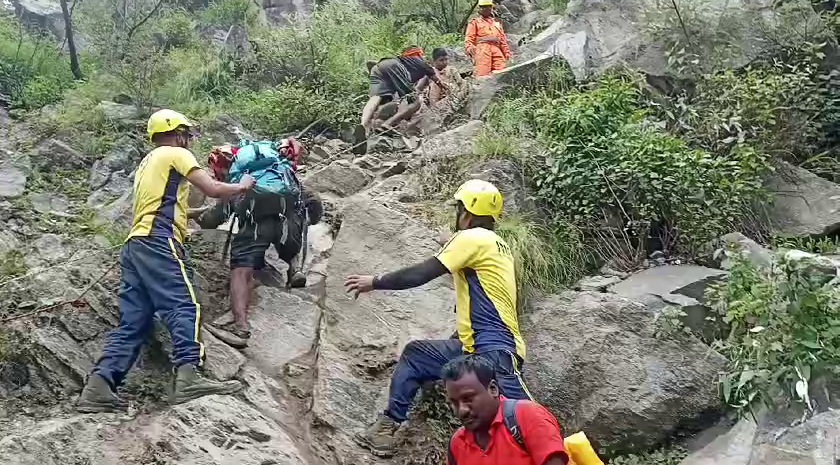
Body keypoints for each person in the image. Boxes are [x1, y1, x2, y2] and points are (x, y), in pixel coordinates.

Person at [76, 109, 256, 413]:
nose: (188, 140)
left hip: (136, 245)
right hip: (159, 241)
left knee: (134, 321)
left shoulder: (147, 163)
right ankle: (188, 376)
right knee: (183, 304)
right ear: (176, 132)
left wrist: (191, 215)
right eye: (186, 134)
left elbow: (163, 204)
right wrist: (242, 185)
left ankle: (99, 387)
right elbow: (212, 189)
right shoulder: (175, 153)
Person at [345, 179, 531, 457]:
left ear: (466, 213)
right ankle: (387, 426)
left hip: (493, 352)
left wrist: (374, 281)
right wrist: (452, 242)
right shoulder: (496, 244)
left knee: (529, 424)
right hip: (474, 349)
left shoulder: (471, 239)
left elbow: (420, 274)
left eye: (458, 210)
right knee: (417, 355)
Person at [196, 139, 323, 348]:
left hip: (255, 226)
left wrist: (197, 219)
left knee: (240, 270)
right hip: (287, 225)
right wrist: (308, 219)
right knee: (296, 225)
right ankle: (294, 269)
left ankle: (241, 326)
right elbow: (312, 201)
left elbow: (214, 217)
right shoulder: (278, 170)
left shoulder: (238, 181)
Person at [443, 355, 569, 465]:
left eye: (468, 398)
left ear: (493, 389)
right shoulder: (457, 444)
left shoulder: (527, 417)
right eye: (453, 403)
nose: (462, 411)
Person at [355, 46, 449, 154]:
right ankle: (388, 124)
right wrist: (449, 89)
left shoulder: (399, 59)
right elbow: (438, 83)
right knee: (416, 102)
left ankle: (364, 125)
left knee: (376, 99)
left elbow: (370, 63)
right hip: (395, 69)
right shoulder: (422, 63)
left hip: (378, 68)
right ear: (419, 55)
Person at [465, 0, 512, 77]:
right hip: (482, 49)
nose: (486, 9)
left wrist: (507, 53)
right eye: (483, 7)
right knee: (483, 74)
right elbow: (469, 39)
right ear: (479, 8)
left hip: (496, 49)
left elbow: (502, 40)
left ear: (491, 7)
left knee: (501, 73)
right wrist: (470, 49)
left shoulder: (497, 23)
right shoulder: (474, 22)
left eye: (488, 6)